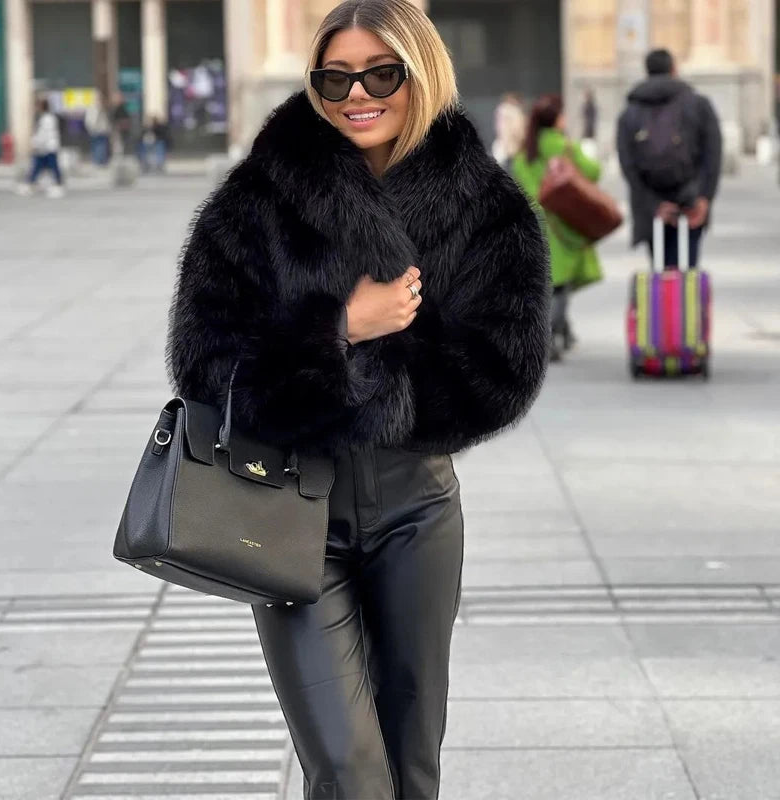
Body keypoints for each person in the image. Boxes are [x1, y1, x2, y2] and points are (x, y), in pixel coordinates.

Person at [167, 1, 550, 797]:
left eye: (381, 74)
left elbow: (503, 370)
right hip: (287, 507)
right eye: (335, 79)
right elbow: (202, 364)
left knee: (411, 765)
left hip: (418, 509)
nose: (358, 96)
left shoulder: (484, 205)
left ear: (422, 73)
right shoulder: (259, 198)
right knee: (348, 768)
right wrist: (338, 329)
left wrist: (386, 386)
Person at [513, 93, 603, 361]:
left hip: (538, 227)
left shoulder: (526, 153)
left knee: (545, 284)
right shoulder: (565, 148)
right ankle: (551, 336)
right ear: (556, 120)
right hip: (565, 226)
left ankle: (562, 330)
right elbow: (594, 172)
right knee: (561, 285)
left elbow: (522, 188)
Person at [617, 48, 722, 268]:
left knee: (661, 270)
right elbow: (713, 154)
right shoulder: (698, 104)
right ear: (674, 69)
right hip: (691, 201)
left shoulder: (630, 112)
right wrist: (704, 197)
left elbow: (628, 165)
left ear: (647, 71)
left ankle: (663, 292)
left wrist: (652, 204)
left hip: (653, 206)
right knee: (687, 272)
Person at [17, 98, 64, 198]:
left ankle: (32, 184)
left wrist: (35, 145)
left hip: (47, 148)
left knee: (49, 167)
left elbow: (44, 135)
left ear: (42, 107)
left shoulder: (47, 119)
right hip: (46, 148)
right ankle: (32, 183)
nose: (36, 108)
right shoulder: (45, 118)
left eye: (37, 106)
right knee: (40, 167)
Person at [491, 92, 526, 170]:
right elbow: (518, 130)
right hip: (514, 147)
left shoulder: (501, 111)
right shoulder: (513, 111)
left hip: (504, 147)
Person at [85, 98, 111, 166]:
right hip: (99, 131)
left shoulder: (93, 109)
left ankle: (98, 161)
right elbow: (93, 120)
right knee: (99, 147)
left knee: (98, 147)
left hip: (97, 131)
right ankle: (99, 162)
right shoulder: (97, 109)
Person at [111, 92, 133, 156]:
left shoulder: (123, 107)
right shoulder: (115, 108)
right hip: (119, 128)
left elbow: (127, 117)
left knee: (123, 141)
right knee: (119, 142)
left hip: (123, 128)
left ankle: (124, 153)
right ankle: (121, 153)